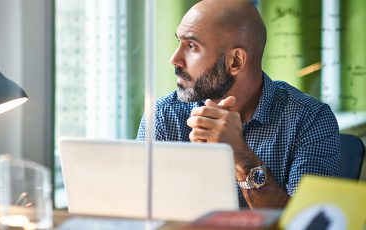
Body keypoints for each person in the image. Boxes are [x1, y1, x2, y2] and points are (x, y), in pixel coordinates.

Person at [137, 0, 340, 209]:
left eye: (192, 46)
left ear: (235, 61)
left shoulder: (311, 120)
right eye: (178, 42)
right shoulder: (163, 116)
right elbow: (138, 211)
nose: (175, 59)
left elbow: (308, 223)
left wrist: (241, 157)